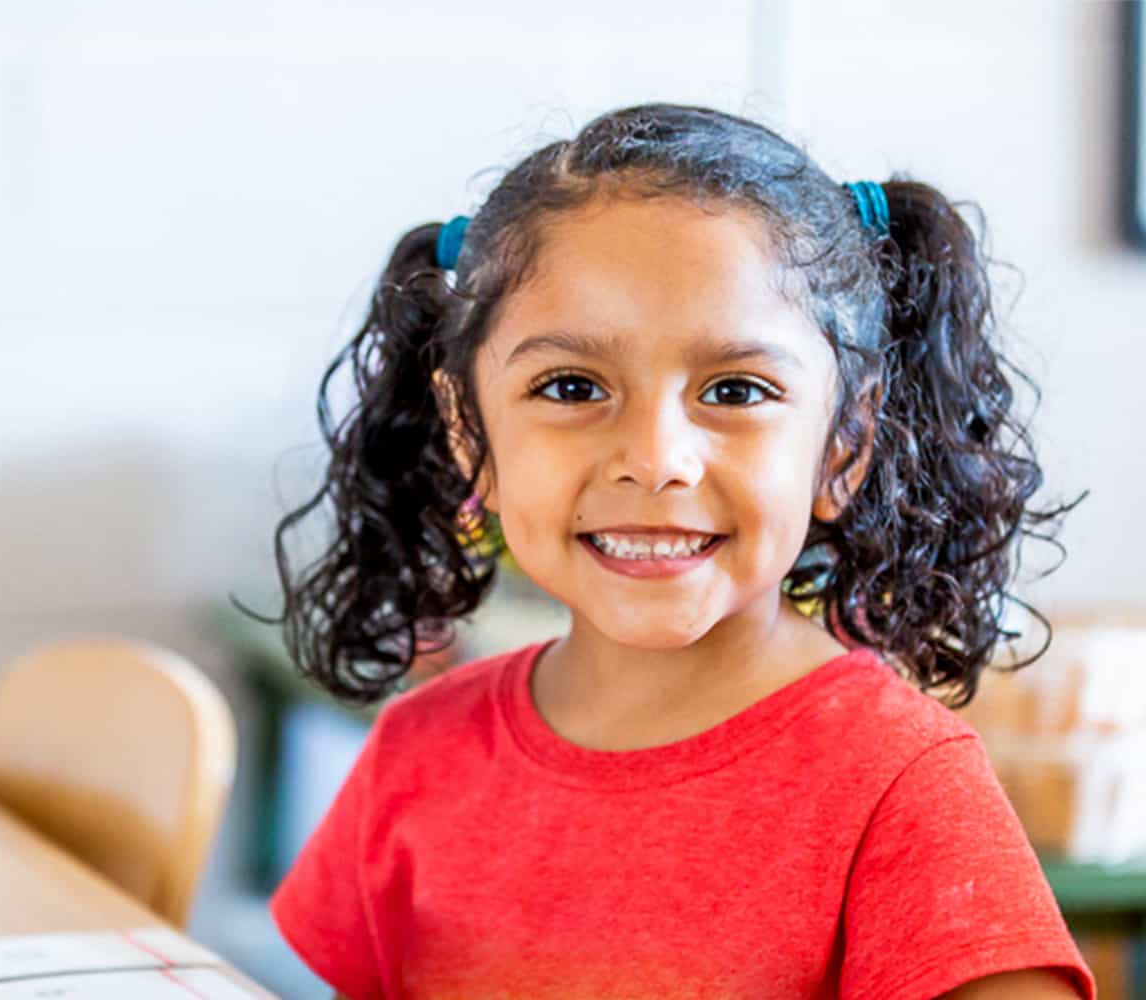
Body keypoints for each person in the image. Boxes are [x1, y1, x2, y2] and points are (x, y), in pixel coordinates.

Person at [261, 103, 1095, 1000]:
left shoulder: (901, 786)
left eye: (736, 389)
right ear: (471, 437)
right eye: (572, 386)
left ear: (844, 445)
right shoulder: (417, 753)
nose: (656, 460)